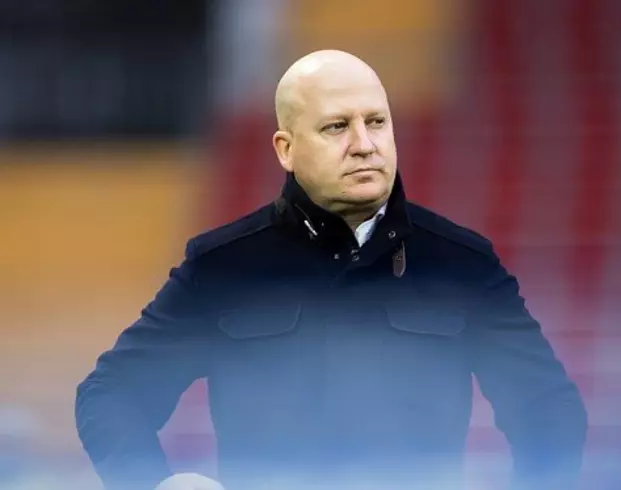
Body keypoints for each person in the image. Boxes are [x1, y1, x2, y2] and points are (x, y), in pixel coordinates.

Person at [75, 50, 587, 490]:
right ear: (286, 149)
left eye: (377, 122)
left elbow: (549, 409)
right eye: (336, 126)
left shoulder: (462, 264)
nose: (364, 143)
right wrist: (157, 484)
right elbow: (111, 395)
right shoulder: (223, 267)